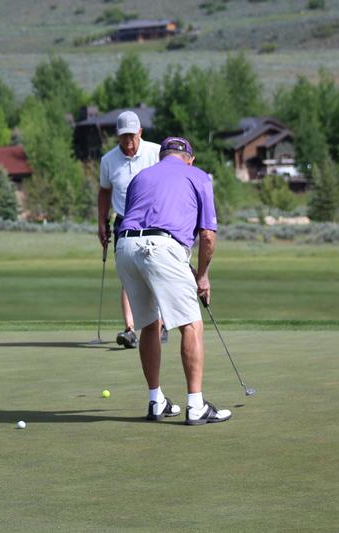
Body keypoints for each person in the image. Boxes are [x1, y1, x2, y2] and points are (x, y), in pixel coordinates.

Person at [115, 136, 232, 425]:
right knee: (191, 324)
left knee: (149, 324)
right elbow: (207, 236)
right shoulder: (199, 176)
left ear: (162, 157)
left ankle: (156, 402)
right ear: (190, 159)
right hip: (163, 247)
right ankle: (196, 406)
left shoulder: (141, 177)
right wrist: (202, 276)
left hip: (125, 247)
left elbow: (143, 223)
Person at [98, 110, 162, 349]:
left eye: (132, 135)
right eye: (124, 136)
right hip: (124, 222)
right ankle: (129, 329)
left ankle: (160, 323)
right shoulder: (108, 160)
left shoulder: (156, 152)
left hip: (154, 221)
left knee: (156, 272)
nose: (129, 141)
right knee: (128, 275)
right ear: (118, 135)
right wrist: (101, 221)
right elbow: (104, 191)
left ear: (140, 132)